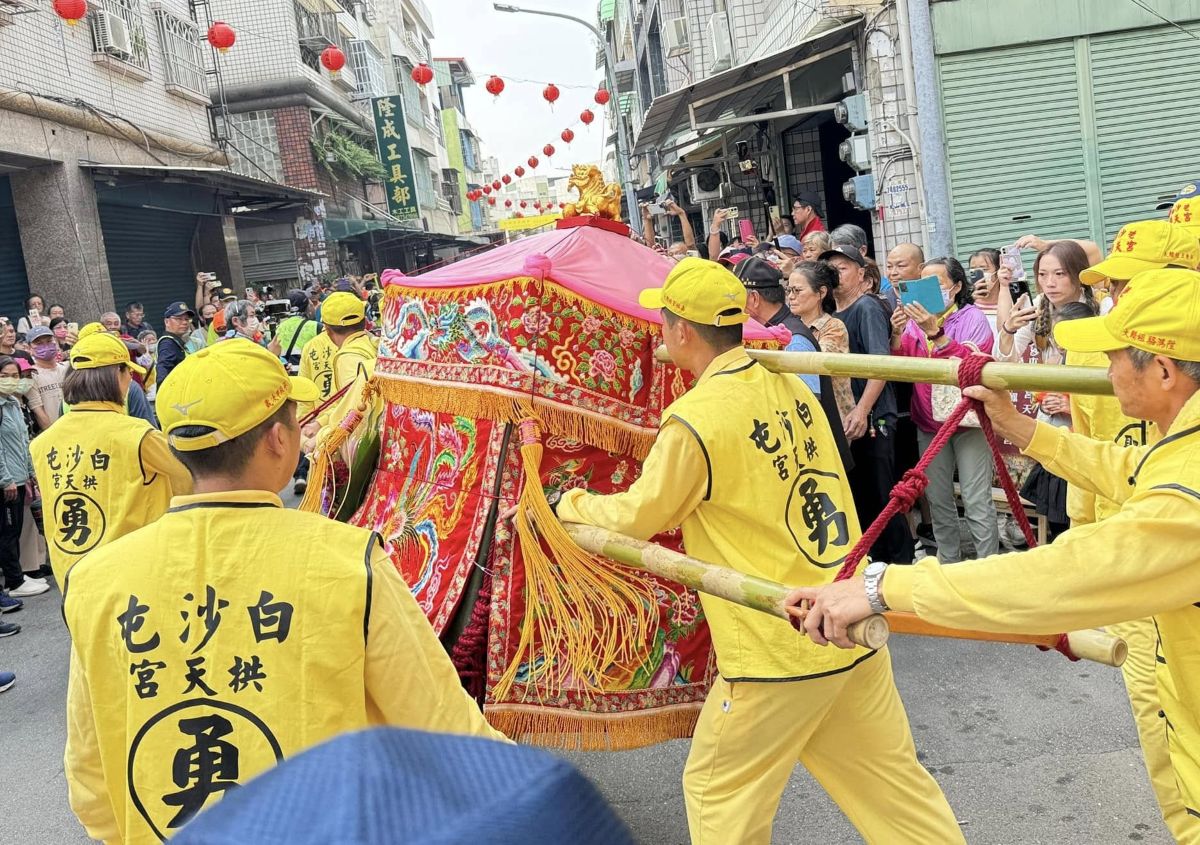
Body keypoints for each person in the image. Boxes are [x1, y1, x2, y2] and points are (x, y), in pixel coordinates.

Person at [553, 258, 962, 845]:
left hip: (779, 644)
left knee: (719, 797)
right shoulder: (789, 384)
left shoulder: (697, 418)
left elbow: (641, 515)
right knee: (897, 793)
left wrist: (571, 506)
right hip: (848, 621)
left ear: (680, 332)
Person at [789, 268, 1200, 841]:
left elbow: (1059, 576)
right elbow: (1124, 470)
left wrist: (882, 587)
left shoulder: (1188, 494)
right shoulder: (1179, 448)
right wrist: (1020, 427)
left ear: (1162, 369)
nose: (1103, 371)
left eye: (1112, 356)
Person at [62, 340, 508, 843]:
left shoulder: (95, 580)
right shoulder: (349, 561)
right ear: (279, 438)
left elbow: (92, 782)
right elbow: (447, 732)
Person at [1068, 234, 1197, 839]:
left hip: (1147, 572)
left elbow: (1152, 489)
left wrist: (889, 589)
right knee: (1164, 728)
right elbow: (1124, 467)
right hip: (1140, 569)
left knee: (1173, 729)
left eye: (1126, 285)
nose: (1113, 298)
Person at [29, 332, 187, 584]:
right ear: (117, 374)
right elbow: (194, 479)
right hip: (137, 573)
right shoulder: (139, 436)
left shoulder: (41, 444)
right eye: (128, 373)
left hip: (74, 575)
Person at [890, 257, 998, 562]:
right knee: (937, 499)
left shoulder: (972, 317)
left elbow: (972, 363)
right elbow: (903, 368)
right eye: (924, 284)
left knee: (976, 499)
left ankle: (988, 565)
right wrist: (897, 334)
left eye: (938, 283)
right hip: (927, 420)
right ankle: (949, 563)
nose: (931, 290)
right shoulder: (912, 322)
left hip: (969, 421)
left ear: (957, 286)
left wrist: (936, 333)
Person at [824, 245, 914, 563]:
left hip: (872, 418)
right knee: (862, 499)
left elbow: (880, 363)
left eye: (843, 267)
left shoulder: (867, 307)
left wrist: (862, 409)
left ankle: (901, 566)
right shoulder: (831, 314)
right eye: (831, 268)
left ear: (862, 273)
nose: (836, 272)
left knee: (881, 499)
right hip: (849, 421)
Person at [735, 258, 851, 469]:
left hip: (812, 460)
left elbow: (805, 409)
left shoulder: (794, 340)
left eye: (736, 297)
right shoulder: (773, 331)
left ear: (753, 299)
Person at [0, 355, 48, 599]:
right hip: (6, 481)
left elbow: (21, 441)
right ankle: (14, 581)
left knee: (15, 529)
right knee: (7, 533)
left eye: (15, 376)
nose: (11, 380)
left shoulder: (12, 404)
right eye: (4, 376)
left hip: (19, 477)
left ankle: (17, 574)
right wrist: (5, 478)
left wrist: (30, 473)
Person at [786, 261, 855, 422]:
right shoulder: (790, 325)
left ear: (821, 292)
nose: (791, 296)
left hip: (832, 417)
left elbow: (813, 363)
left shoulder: (834, 327)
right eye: (789, 290)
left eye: (797, 290)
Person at [27, 326, 68, 426]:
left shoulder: (67, 368)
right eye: (39, 343)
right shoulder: (31, 375)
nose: (46, 346)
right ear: (29, 348)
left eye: (49, 341)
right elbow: (38, 411)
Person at [268, 290, 318, 371]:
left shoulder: (276, 327)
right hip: (308, 375)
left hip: (286, 373)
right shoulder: (316, 327)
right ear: (306, 307)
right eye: (310, 303)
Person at [156, 301, 196, 390]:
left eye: (187, 319)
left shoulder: (176, 341)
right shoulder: (167, 343)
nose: (185, 322)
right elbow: (163, 369)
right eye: (178, 319)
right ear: (167, 322)